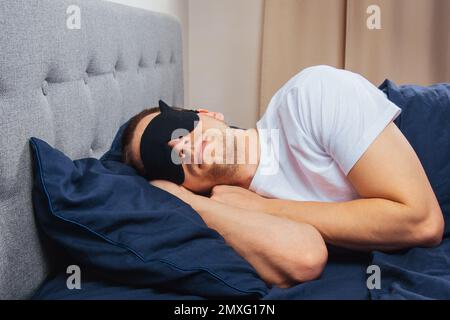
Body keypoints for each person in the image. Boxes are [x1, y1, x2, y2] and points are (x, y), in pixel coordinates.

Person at [121, 65, 444, 287]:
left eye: (174, 127)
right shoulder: (231, 215)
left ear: (208, 114)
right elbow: (304, 258)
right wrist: (195, 206)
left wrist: (261, 208)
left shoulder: (309, 95)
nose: (180, 145)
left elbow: (422, 222)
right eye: (164, 158)